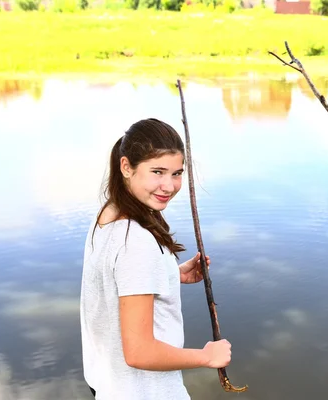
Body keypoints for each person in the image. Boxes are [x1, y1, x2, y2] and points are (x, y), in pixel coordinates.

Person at [79, 118, 232, 399]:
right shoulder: (136, 241)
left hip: (107, 384)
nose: (169, 186)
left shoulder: (108, 213)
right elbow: (139, 352)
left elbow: (117, 282)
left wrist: (170, 275)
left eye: (176, 173)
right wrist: (206, 357)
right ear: (126, 166)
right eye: (158, 171)